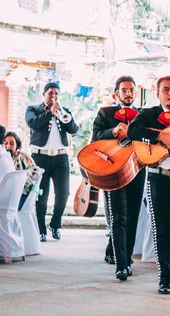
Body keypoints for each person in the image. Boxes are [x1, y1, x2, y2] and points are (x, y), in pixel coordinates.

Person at [128, 76, 170, 294]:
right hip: (158, 177)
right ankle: (165, 278)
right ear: (158, 92)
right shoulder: (149, 114)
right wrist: (159, 135)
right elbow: (132, 131)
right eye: (166, 90)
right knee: (161, 231)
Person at [91, 76, 146, 281]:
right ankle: (121, 265)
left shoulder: (143, 114)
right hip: (112, 171)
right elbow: (95, 136)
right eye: (124, 90)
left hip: (137, 170)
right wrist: (113, 131)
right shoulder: (105, 113)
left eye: (131, 89)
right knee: (118, 217)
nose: (128, 93)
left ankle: (126, 258)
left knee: (132, 216)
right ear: (116, 94)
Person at [25, 82, 78, 242]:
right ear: (44, 94)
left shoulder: (64, 111)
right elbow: (32, 123)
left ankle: (55, 224)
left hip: (61, 158)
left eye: (56, 94)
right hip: (40, 157)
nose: (53, 96)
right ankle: (41, 229)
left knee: (63, 193)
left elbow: (74, 130)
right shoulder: (33, 109)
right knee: (41, 195)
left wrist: (62, 114)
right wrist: (50, 113)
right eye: (50, 93)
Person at [3, 131, 42, 211]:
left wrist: (23, 181)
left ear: (17, 145)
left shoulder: (23, 157)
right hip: (6, 194)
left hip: (21, 193)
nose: (8, 146)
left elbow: (35, 174)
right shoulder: (2, 158)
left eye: (11, 143)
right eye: (5, 143)